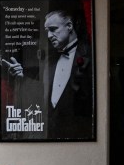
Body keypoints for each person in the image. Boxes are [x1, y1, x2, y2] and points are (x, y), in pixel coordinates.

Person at [6, 9, 94, 139]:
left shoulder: (89, 56)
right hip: (51, 133)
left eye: (53, 29)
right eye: (47, 31)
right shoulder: (49, 60)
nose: (49, 35)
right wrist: (21, 76)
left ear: (69, 26)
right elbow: (41, 89)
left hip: (79, 136)